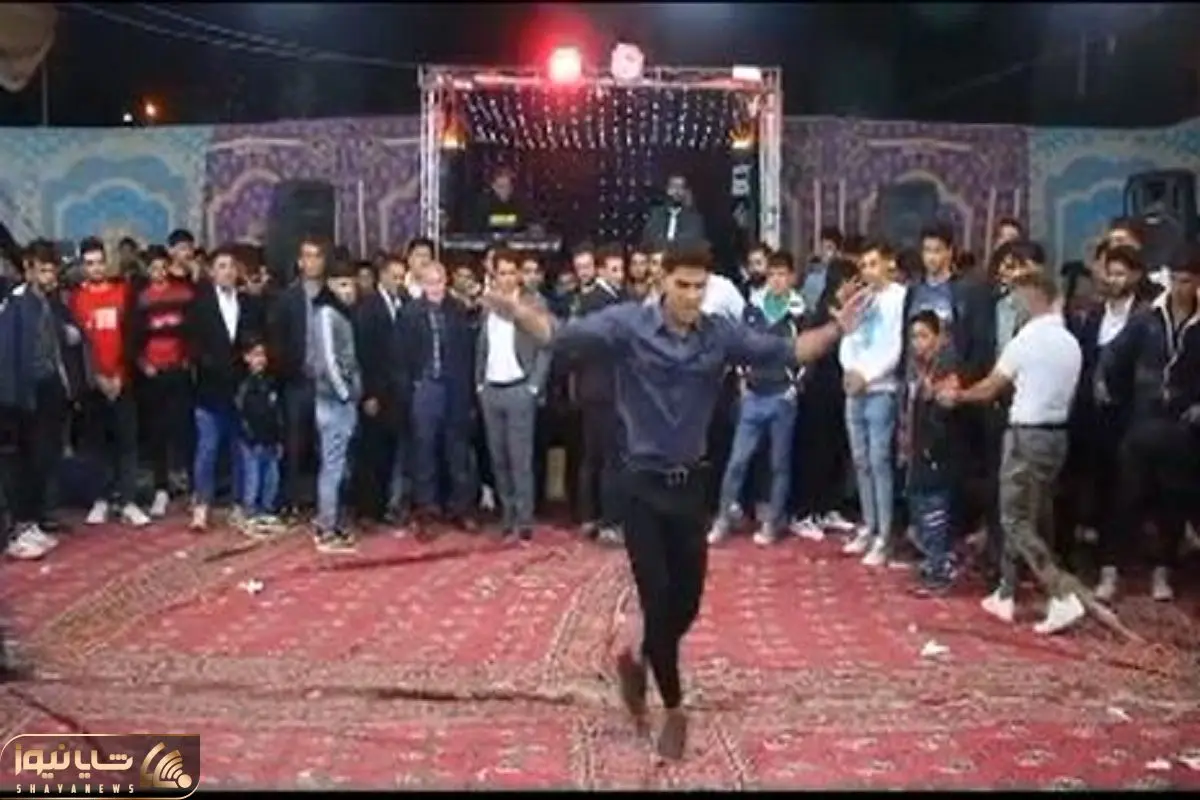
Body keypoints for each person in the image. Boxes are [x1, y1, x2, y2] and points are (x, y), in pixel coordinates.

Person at [483, 246, 868, 761]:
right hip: (638, 484)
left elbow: (787, 352)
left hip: (691, 486)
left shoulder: (719, 334)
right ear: (663, 281)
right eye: (682, 285)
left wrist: (838, 329)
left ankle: (638, 657)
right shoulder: (626, 325)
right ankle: (672, 706)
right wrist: (516, 312)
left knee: (685, 603)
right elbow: (559, 334)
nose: (690, 295)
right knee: (658, 596)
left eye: (699, 286)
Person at [937, 269, 1086, 635]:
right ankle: (1006, 593)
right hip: (1056, 436)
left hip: (1026, 436)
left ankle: (1060, 593)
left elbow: (990, 387)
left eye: (1018, 298)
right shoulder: (1070, 342)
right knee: (1037, 516)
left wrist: (958, 396)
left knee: (1015, 519)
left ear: (1032, 298)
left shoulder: (1027, 340)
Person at [900, 311, 961, 595]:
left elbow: (948, 411)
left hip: (939, 452)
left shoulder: (947, 368)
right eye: (914, 336)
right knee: (919, 510)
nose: (918, 343)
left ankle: (940, 572)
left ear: (939, 337)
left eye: (924, 336)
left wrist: (934, 396)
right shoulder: (916, 368)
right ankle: (931, 561)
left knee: (935, 513)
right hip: (917, 451)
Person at [311, 258, 363, 553]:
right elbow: (328, 360)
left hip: (345, 400)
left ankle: (334, 522)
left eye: (351, 284)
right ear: (330, 285)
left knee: (341, 466)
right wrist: (344, 393)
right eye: (342, 284)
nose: (349, 290)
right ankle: (325, 528)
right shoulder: (326, 314)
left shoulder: (342, 313)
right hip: (333, 401)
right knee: (332, 467)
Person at [234, 338, 285, 535]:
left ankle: (267, 508)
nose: (260, 360)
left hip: (270, 437)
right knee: (252, 476)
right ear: (246, 357)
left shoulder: (270, 381)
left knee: (271, 475)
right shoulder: (244, 384)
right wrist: (249, 435)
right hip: (252, 439)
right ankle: (250, 510)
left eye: (262, 355)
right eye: (256, 355)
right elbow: (241, 411)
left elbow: (276, 411)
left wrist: (278, 436)